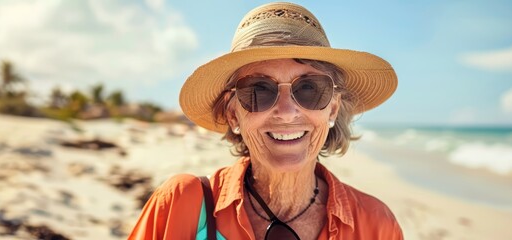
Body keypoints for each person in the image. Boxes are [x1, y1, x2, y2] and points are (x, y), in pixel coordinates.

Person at [129, 2, 402, 240]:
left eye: (309, 88)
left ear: (332, 109)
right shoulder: (182, 205)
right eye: (259, 89)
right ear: (233, 113)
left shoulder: (376, 226)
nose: (286, 112)